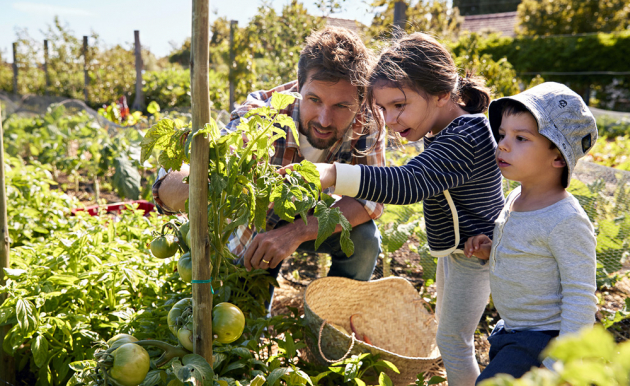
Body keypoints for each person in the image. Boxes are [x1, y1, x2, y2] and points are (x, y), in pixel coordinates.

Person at [297, 32, 506, 386]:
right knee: (452, 336)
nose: (390, 119)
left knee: (454, 343)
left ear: (442, 94)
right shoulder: (446, 128)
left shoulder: (466, 136)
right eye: (382, 108)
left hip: (475, 255)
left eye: (398, 105)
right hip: (459, 252)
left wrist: (333, 174)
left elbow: (408, 183)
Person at [152, 26, 386, 306]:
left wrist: (296, 232)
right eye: (314, 100)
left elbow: (370, 199)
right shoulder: (262, 115)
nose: (324, 119)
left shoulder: (367, 121)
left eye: (341, 106)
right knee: (244, 315)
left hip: (313, 216)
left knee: (364, 239)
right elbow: (175, 185)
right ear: (299, 87)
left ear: (360, 101)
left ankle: (333, 321)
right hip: (258, 226)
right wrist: (202, 177)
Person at [464, 82, 598, 383]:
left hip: (542, 341)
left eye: (521, 138)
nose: (503, 145)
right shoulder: (516, 198)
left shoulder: (566, 220)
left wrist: (557, 364)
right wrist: (492, 249)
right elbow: (527, 251)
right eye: (502, 135)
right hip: (511, 331)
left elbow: (580, 297)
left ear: (558, 157)